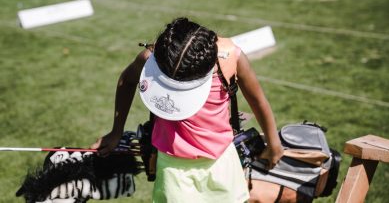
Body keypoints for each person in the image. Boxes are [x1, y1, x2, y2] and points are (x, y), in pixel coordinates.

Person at [90, 17, 283, 203]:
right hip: (173, 168)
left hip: (223, 164)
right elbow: (128, 79)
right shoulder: (152, 57)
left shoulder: (230, 58)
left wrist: (274, 144)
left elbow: (258, 101)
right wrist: (116, 131)